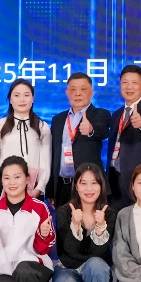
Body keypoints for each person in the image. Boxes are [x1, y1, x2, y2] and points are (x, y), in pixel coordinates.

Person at [52, 163, 118, 282]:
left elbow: (99, 253)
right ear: (76, 186)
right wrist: (75, 224)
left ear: (101, 186)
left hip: (96, 270)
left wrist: (100, 227)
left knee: (96, 264)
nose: (89, 188)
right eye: (83, 183)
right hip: (69, 267)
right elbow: (69, 251)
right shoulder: (64, 212)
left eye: (94, 183)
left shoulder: (109, 214)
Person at [47, 72, 111, 208]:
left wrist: (91, 129)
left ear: (92, 92)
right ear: (67, 93)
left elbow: (103, 130)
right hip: (62, 186)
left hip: (89, 188)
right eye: (73, 90)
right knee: (63, 221)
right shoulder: (58, 119)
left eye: (83, 89)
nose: (78, 94)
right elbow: (54, 155)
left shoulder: (101, 114)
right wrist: (51, 189)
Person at [0, 78, 51, 199]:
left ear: (33, 99)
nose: (22, 100)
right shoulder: (0, 124)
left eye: (26, 95)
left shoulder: (42, 126)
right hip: (5, 183)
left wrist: (39, 188)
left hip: (32, 185)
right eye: (17, 95)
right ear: (10, 99)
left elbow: (46, 161)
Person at [107, 65, 141, 208]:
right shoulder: (116, 114)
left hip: (139, 181)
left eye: (134, 83)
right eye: (125, 82)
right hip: (114, 182)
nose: (129, 87)